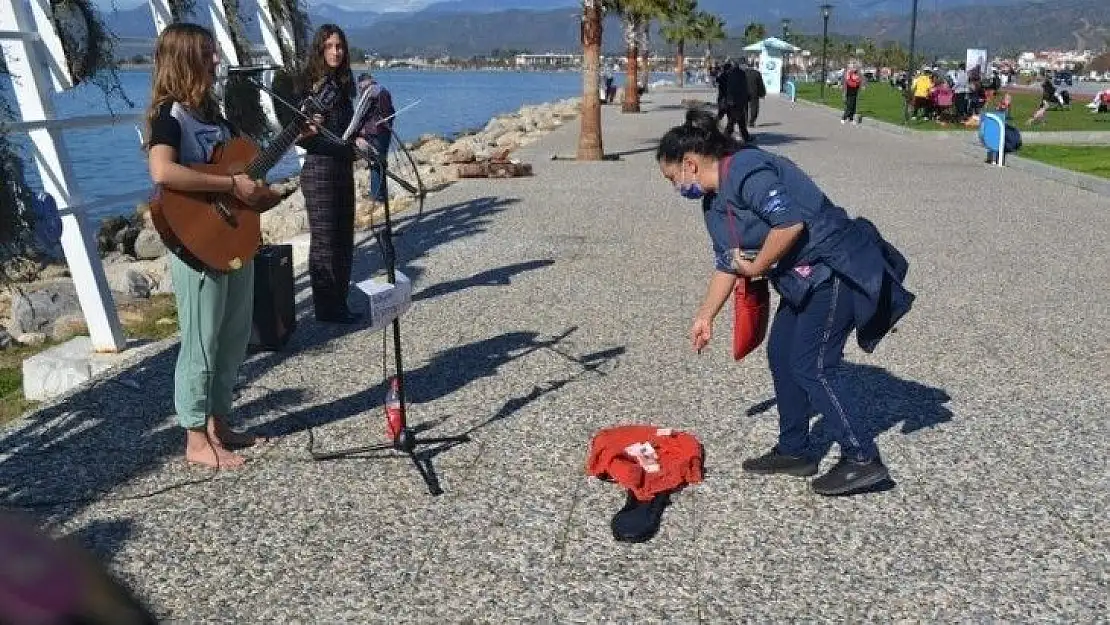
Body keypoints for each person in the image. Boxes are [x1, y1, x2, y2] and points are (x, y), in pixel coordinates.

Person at [656, 109, 915, 496]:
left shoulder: (746, 169)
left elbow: (789, 223)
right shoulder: (712, 205)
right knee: (781, 354)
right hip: (799, 281)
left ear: (690, 164)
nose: (675, 187)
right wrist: (705, 316)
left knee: (813, 365)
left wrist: (758, 265)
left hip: (833, 268)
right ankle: (796, 450)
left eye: (672, 178)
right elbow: (727, 262)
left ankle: (863, 458)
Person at [144, 23, 297, 468]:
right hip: (195, 242)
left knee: (231, 338)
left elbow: (244, 171)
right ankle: (195, 439)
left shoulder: (213, 116)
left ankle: (219, 424)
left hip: (231, 237)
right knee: (202, 342)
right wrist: (232, 182)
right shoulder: (169, 117)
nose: (216, 61)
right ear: (186, 59)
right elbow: (162, 173)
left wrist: (262, 189)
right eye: (208, 54)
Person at [296, 24, 363, 324]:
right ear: (320, 49)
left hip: (342, 167)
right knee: (324, 241)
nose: (336, 51)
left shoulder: (345, 85)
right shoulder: (308, 86)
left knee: (344, 236)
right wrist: (345, 148)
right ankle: (326, 307)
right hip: (320, 169)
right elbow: (303, 138)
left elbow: (347, 129)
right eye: (330, 46)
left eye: (340, 46)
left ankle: (340, 301)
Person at [354, 73, 396, 206]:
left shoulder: (372, 93)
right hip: (383, 131)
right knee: (378, 163)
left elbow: (362, 115)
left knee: (376, 164)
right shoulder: (382, 91)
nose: (361, 89)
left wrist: (361, 132)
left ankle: (377, 196)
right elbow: (390, 114)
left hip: (377, 133)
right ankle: (379, 194)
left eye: (361, 86)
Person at [743, 60, 766, 127]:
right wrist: (762, 93)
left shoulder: (743, 73)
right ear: (754, 66)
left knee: (744, 108)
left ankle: (745, 121)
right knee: (754, 107)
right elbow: (760, 84)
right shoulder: (757, 73)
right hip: (754, 93)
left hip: (744, 93)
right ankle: (751, 121)